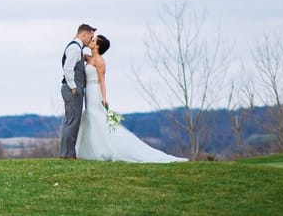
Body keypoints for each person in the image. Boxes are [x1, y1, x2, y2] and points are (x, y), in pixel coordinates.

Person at [75, 35, 187, 163]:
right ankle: (93, 149)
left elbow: (102, 80)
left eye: (93, 40)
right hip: (88, 91)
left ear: (97, 46)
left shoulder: (100, 61)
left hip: (95, 92)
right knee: (90, 117)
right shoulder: (89, 58)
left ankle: (104, 150)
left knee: (97, 117)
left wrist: (104, 97)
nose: (91, 41)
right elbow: (78, 53)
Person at [59, 23, 96, 159]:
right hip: (72, 89)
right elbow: (68, 68)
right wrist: (73, 86)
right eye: (90, 37)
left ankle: (69, 153)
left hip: (73, 88)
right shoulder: (75, 48)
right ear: (84, 34)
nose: (91, 40)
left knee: (73, 121)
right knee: (72, 121)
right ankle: (67, 154)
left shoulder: (77, 48)